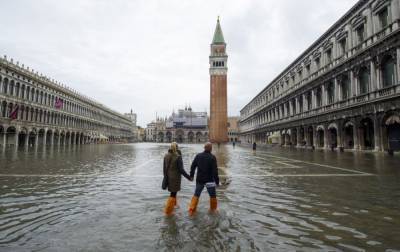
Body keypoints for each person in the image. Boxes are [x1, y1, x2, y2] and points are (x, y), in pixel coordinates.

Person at [188, 142, 220, 216]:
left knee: (196, 195)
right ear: (211, 149)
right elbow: (215, 171)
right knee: (213, 196)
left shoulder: (198, 156)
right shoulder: (212, 157)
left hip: (200, 179)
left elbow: (193, 166)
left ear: (204, 148)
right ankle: (213, 210)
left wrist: (191, 175)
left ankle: (191, 210)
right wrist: (217, 182)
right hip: (210, 180)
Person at [163, 142, 191, 216]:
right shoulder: (178, 156)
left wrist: (165, 176)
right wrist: (188, 177)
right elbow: (181, 170)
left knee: (173, 192)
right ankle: (168, 211)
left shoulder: (166, 156)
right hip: (175, 178)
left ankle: (174, 206)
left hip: (168, 176)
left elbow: (164, 169)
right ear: (177, 148)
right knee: (173, 193)